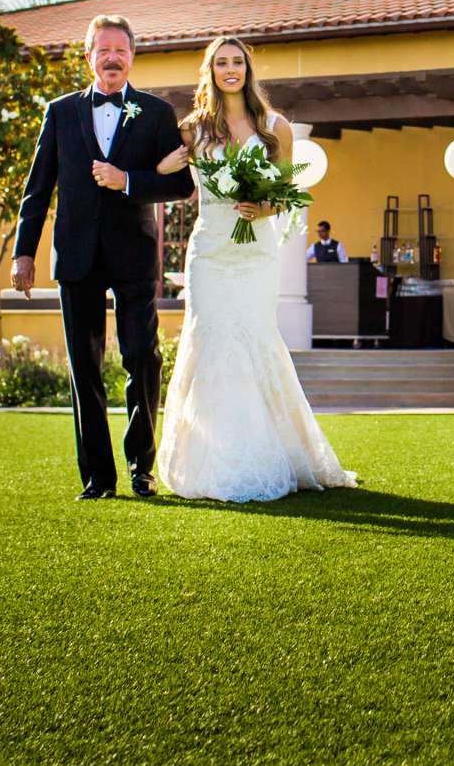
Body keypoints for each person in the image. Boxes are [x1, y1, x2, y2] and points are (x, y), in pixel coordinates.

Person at [152, 35, 356, 501]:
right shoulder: (194, 130)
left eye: (237, 62)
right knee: (211, 337)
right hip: (210, 251)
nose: (230, 69)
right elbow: (153, 171)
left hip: (256, 252)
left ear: (247, 70)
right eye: (221, 62)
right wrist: (165, 166)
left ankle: (269, 452)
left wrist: (264, 209)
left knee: (253, 337)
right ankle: (211, 456)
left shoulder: (274, 126)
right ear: (210, 70)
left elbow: (284, 192)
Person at [13, 15, 197, 501]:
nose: (112, 58)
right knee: (84, 366)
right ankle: (98, 476)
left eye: (121, 50)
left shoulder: (156, 113)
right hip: (75, 257)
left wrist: (129, 181)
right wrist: (23, 253)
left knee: (143, 357)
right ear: (89, 56)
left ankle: (142, 467)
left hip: (134, 255)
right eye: (104, 49)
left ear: (132, 56)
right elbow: (37, 190)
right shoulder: (59, 112)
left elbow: (181, 183)